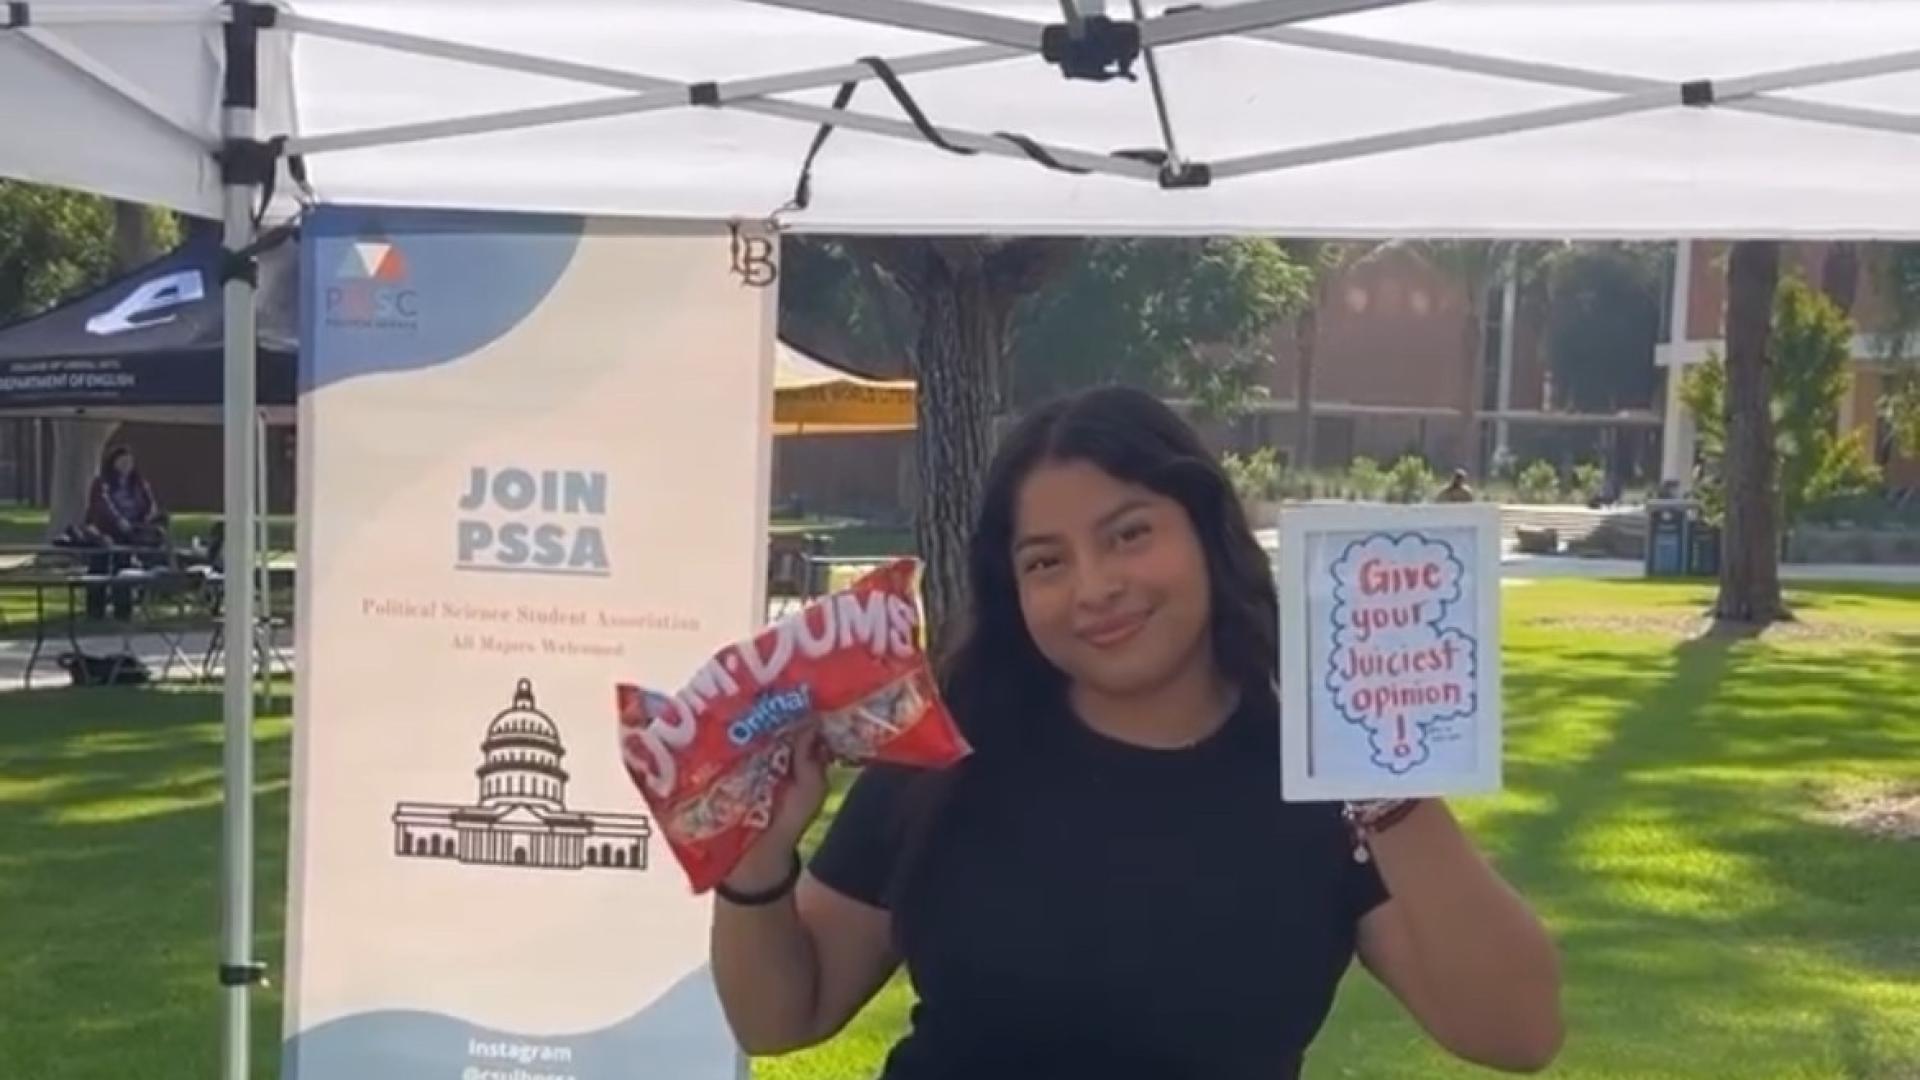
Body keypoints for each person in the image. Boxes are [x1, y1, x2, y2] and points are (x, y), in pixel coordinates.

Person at [710, 387, 1562, 1079]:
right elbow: (784, 1017)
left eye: (1129, 535)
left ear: (1204, 531)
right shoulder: (946, 752)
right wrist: (752, 863)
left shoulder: (1325, 775)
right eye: (1047, 561)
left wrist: (1387, 775)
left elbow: (1518, 1033)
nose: (1095, 587)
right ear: (1013, 590)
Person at [82, 445, 167, 619]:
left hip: (130, 534)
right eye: (122, 461)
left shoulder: (139, 484)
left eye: (129, 462)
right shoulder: (102, 483)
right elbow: (103, 505)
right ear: (113, 463)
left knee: (124, 571)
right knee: (99, 569)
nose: (126, 465)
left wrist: (145, 521)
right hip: (104, 532)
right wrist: (119, 521)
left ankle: (123, 610)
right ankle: (95, 612)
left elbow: (149, 503)